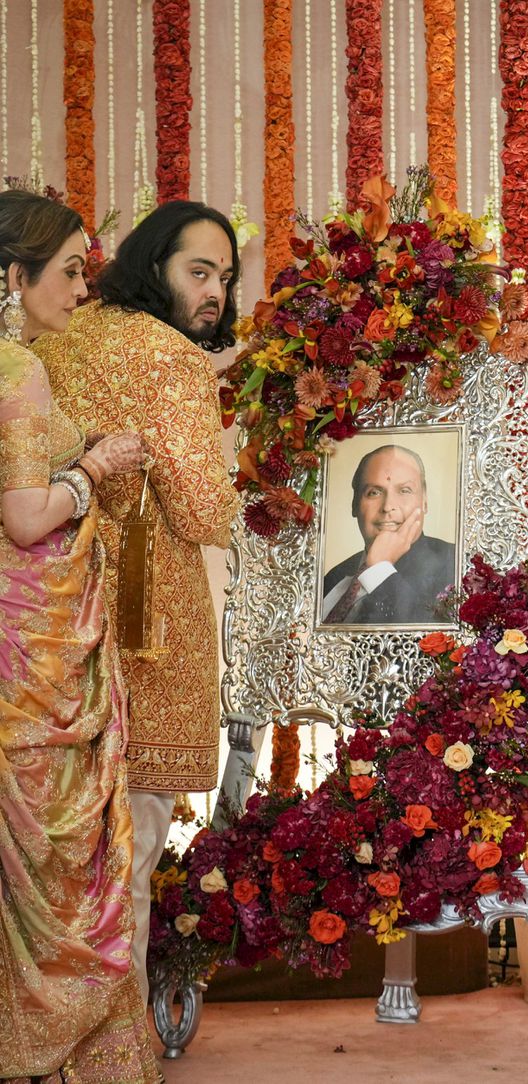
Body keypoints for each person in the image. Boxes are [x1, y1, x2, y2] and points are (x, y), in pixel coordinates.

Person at [33, 200, 240, 1006]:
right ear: (154, 265)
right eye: (200, 271)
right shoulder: (171, 358)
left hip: (46, 620)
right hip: (143, 629)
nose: (217, 290)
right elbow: (203, 510)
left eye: (225, 276)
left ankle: (42, 1032)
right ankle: (118, 1045)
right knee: (131, 851)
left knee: (48, 851)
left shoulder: (50, 337)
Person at [0, 189, 160, 1080]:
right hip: (31, 657)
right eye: (66, 273)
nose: (79, 290)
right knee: (55, 867)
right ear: (12, 277)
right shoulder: (14, 369)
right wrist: (95, 468)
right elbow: (26, 518)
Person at [322, 444, 457, 625]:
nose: (387, 506)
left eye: (404, 490)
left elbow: (417, 644)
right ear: (354, 504)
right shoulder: (335, 576)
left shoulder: (454, 565)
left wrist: (379, 569)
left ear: (424, 501)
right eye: (374, 492)